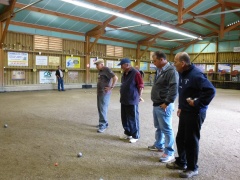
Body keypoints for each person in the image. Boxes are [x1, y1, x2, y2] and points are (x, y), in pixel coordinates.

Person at [166, 52, 216, 178]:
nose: (174, 63)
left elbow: (211, 91)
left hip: (195, 112)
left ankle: (192, 168)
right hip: (185, 111)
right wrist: (181, 107)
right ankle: (181, 162)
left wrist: (197, 102)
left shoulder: (196, 75)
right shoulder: (182, 73)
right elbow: (183, 91)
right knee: (180, 138)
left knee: (191, 140)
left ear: (183, 63)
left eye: (176, 61)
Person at [148, 51, 179, 163]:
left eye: (155, 60)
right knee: (159, 127)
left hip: (164, 105)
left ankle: (169, 152)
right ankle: (159, 145)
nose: (153, 63)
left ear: (162, 60)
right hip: (157, 103)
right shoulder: (160, 70)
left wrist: (167, 102)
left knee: (166, 129)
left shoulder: (171, 71)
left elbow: (174, 88)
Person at [119, 58, 144, 143]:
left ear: (127, 65)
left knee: (133, 118)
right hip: (124, 99)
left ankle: (135, 135)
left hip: (132, 99)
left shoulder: (136, 73)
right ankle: (128, 133)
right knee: (124, 118)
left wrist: (139, 96)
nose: (121, 67)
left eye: (122, 65)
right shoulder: (124, 73)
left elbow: (140, 86)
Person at [94, 59, 118, 133]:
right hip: (100, 92)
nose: (96, 67)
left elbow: (115, 78)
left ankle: (103, 125)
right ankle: (104, 123)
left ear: (101, 64)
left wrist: (111, 87)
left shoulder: (106, 69)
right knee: (100, 108)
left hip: (104, 93)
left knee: (103, 108)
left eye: (97, 65)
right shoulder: (101, 71)